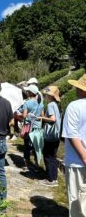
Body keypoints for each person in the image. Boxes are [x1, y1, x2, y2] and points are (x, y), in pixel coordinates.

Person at [62, 74, 86, 217]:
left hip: (77, 162)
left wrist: (83, 156)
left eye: (78, 87)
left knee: (77, 202)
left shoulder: (74, 106)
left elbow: (72, 135)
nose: (76, 89)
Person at [17, 85, 44, 171]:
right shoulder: (40, 103)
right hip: (37, 127)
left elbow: (24, 116)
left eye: (28, 91)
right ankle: (36, 165)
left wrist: (18, 115)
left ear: (31, 93)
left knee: (27, 146)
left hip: (29, 127)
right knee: (35, 146)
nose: (27, 92)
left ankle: (27, 164)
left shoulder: (27, 103)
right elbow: (42, 116)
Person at [39, 86, 61, 186]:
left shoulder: (51, 105)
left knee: (48, 156)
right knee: (53, 156)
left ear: (50, 95)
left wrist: (42, 118)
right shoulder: (56, 104)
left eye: (47, 94)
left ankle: (50, 179)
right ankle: (54, 178)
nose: (46, 96)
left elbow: (53, 119)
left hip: (50, 135)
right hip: (56, 135)